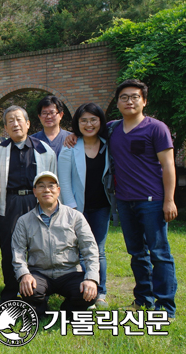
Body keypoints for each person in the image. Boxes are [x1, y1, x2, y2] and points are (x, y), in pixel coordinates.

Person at [64, 79, 178, 318]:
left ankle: (165, 306)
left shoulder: (156, 128)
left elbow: (168, 166)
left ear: (144, 101)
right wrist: (73, 135)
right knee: (137, 253)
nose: (129, 101)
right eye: (124, 97)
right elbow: (89, 129)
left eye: (135, 96)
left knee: (159, 253)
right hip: (124, 202)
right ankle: (143, 300)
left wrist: (169, 200)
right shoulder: (113, 129)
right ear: (117, 103)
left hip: (152, 201)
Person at [0, 105, 57, 304]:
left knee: (37, 246)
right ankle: (12, 291)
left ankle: (37, 290)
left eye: (19, 119)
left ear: (28, 124)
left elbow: (54, 181)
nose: (15, 124)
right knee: (9, 248)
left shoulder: (44, 150)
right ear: (5, 127)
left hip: (35, 201)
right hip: (8, 203)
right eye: (10, 120)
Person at [12, 171, 99, 317]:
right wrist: (24, 275)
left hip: (70, 272)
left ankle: (68, 311)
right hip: (39, 273)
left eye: (51, 186)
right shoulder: (24, 221)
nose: (47, 190)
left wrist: (91, 278)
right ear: (34, 192)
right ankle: (41, 310)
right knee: (28, 290)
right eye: (41, 186)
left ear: (58, 191)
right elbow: (18, 252)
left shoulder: (75, 217)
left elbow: (90, 249)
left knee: (89, 294)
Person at [58, 103, 110, 309]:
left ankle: (100, 292)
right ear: (77, 123)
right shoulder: (70, 145)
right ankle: (80, 290)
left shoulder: (108, 144)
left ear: (100, 121)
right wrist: (72, 208)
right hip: (77, 208)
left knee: (99, 249)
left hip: (102, 206)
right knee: (79, 249)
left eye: (93, 119)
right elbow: (64, 180)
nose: (89, 124)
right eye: (84, 120)